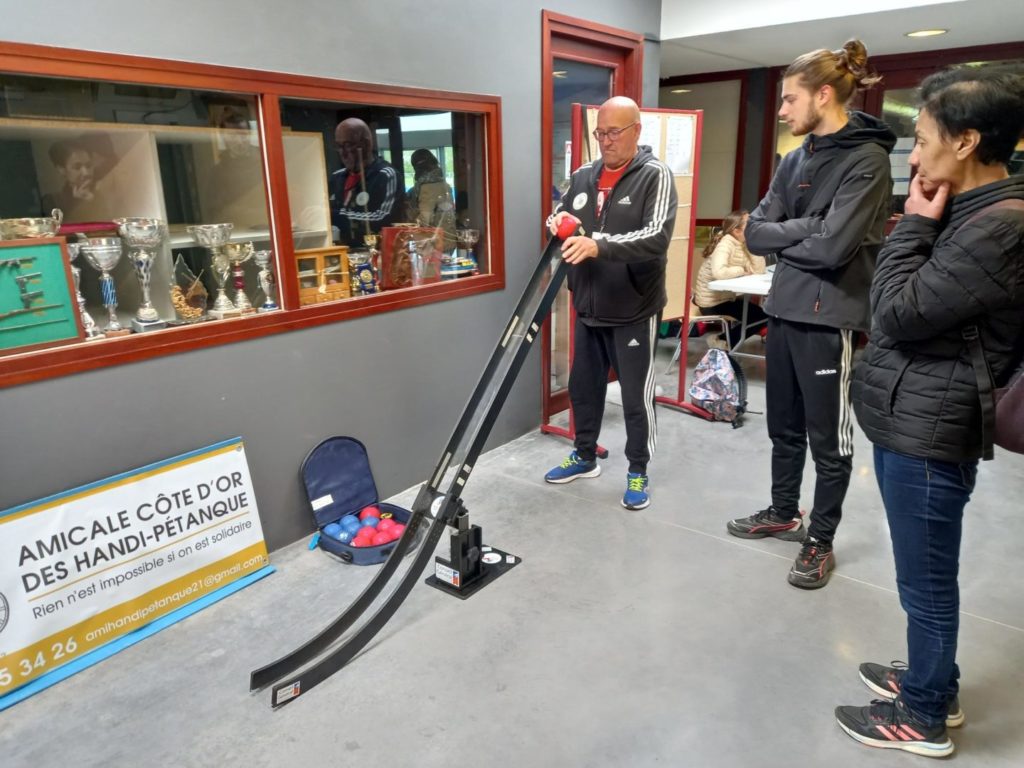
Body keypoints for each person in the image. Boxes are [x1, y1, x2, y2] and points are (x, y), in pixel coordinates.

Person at [836, 68, 1024, 758]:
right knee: (922, 575)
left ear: (967, 141)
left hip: (930, 429)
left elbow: (895, 311)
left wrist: (913, 223)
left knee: (926, 581)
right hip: (916, 415)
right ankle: (931, 682)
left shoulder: (999, 228)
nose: (913, 156)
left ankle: (921, 714)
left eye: (921, 139)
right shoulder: (974, 213)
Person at [724, 40, 896, 589]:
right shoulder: (795, 159)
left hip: (830, 318)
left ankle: (820, 539)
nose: (781, 110)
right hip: (784, 309)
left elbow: (834, 250)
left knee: (830, 439)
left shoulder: (867, 161)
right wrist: (811, 227)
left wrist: (799, 236)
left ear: (823, 95)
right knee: (782, 427)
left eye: (789, 99)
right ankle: (783, 511)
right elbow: (754, 232)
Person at [543, 96, 677, 511]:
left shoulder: (655, 175)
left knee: (635, 396)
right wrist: (555, 222)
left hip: (634, 306)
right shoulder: (584, 175)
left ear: (636, 130)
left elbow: (656, 237)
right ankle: (584, 456)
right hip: (588, 303)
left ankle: (638, 470)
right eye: (600, 133)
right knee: (583, 388)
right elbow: (562, 216)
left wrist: (598, 245)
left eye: (614, 132)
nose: (605, 141)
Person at [692, 209, 767, 349]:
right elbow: (719, 272)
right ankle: (722, 341)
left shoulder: (742, 244)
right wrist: (741, 271)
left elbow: (758, 270)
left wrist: (752, 244)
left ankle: (725, 341)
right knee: (762, 316)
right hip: (711, 303)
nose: (754, 226)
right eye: (749, 224)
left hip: (725, 299)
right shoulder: (725, 245)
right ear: (736, 231)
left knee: (762, 315)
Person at [329, 117, 403, 246]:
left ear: (367, 144)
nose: (343, 153)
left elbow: (383, 218)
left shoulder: (386, 175)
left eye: (348, 145)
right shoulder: (336, 177)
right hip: (340, 250)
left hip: (376, 251)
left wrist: (335, 215)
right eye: (339, 146)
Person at [41, 134, 117, 221]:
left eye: (88, 165)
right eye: (77, 167)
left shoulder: (100, 195)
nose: (86, 173)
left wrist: (93, 202)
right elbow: (60, 228)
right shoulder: (52, 202)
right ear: (62, 170)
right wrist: (77, 204)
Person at [406, 148, 456, 247]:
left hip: (434, 242)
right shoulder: (444, 184)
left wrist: (410, 221)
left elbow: (425, 220)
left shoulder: (427, 187)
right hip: (449, 238)